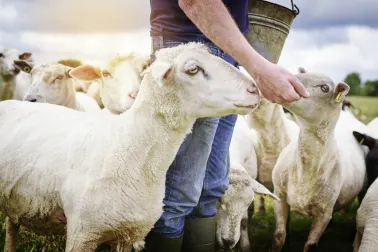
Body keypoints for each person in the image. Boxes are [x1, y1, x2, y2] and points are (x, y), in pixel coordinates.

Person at [145, 1, 310, 251]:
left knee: (210, 189)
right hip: (189, 56)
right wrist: (258, 67)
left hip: (226, 54)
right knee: (179, 193)